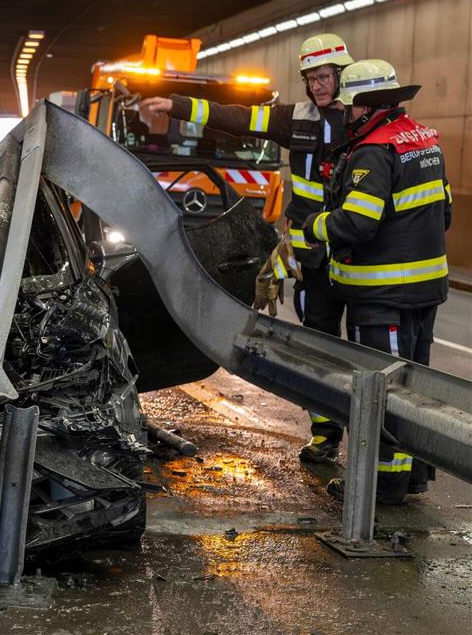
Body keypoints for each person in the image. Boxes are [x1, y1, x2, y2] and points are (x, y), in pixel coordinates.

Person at [140, 34, 354, 463]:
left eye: (325, 76)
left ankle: (384, 445)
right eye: (311, 78)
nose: (318, 86)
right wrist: (177, 105)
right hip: (313, 252)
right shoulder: (296, 118)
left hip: (355, 249)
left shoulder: (361, 119)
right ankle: (326, 434)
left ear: (342, 75)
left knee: (368, 350)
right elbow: (235, 118)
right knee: (318, 344)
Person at [302, 59, 451, 504]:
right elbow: (444, 213)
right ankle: (413, 476)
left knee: (380, 393)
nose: (345, 115)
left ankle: (382, 487)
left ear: (365, 108)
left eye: (349, 108)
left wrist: (316, 225)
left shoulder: (374, 151)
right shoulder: (424, 140)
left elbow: (358, 223)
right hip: (425, 291)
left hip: (382, 295)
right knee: (415, 391)